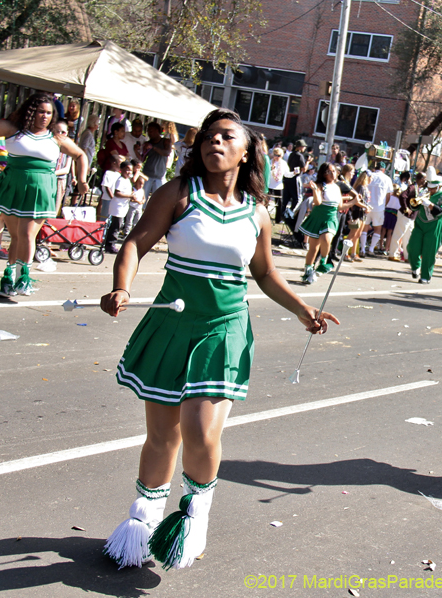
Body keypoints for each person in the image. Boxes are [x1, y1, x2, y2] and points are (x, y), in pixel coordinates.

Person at [100, 108, 337, 570]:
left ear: (245, 152)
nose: (215, 143)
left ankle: (194, 519)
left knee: (200, 431)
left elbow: (265, 273)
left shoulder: (257, 214)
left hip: (223, 330)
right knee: (162, 434)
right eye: (209, 137)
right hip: (171, 326)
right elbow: (134, 244)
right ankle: (142, 524)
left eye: (227, 137)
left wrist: (303, 310)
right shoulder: (178, 194)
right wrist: (122, 286)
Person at [0, 93, 88, 296]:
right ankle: (9, 279)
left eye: (49, 113)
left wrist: (82, 179)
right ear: (31, 112)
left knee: (27, 235)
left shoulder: (56, 138)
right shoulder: (14, 129)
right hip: (14, 185)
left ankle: (23, 278)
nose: (45, 116)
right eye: (41, 111)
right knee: (16, 236)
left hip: (41, 189)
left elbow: (80, 154)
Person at [297, 162, 343, 284]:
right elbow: (317, 202)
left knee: (326, 238)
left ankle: (324, 261)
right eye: (329, 171)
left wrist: (355, 201)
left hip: (331, 217)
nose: (333, 174)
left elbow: (340, 206)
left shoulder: (337, 187)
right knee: (313, 248)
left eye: (334, 171)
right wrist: (315, 190)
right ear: (324, 174)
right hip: (318, 216)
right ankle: (308, 270)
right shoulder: (320, 185)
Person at [407, 167, 442, 284]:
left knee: (429, 251)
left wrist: (430, 205)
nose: (430, 190)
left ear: (439, 187)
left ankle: (425, 276)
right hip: (420, 223)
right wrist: (418, 201)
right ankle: (416, 267)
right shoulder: (424, 192)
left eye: (433, 189)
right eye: (429, 188)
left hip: (435, 226)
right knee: (412, 247)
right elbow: (413, 206)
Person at [389, 172, 424, 262]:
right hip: (406, 215)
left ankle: (407, 256)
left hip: (411, 217)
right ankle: (392, 254)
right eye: (424, 179)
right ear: (421, 179)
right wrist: (406, 208)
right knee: (398, 234)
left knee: (408, 237)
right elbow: (402, 195)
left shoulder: (418, 188)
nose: (425, 181)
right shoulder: (412, 187)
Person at [362, 161, 391, 256]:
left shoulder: (370, 176)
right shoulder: (387, 179)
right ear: (383, 170)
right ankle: (370, 249)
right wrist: (384, 205)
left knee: (364, 228)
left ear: (375, 168)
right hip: (379, 206)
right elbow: (388, 195)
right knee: (377, 229)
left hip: (366, 205)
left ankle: (362, 249)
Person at [105, 161, 133, 253]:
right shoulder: (121, 180)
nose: (129, 172)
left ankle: (110, 243)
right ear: (121, 169)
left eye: (131, 170)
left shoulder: (127, 180)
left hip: (122, 207)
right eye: (127, 169)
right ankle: (110, 244)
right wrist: (130, 196)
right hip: (118, 207)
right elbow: (117, 193)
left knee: (117, 225)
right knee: (116, 226)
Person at [140, 122, 172, 200]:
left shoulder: (165, 142)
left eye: (151, 131)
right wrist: (140, 150)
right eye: (148, 131)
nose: (149, 133)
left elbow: (166, 153)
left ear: (157, 131)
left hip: (159, 175)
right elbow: (142, 159)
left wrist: (153, 147)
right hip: (147, 174)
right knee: (143, 197)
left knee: (157, 199)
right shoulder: (147, 143)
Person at [280, 139, 307, 224]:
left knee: (286, 198)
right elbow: (304, 169)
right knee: (298, 198)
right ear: (300, 147)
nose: (304, 148)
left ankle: (282, 216)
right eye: (303, 146)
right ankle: (290, 214)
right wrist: (308, 162)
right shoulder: (300, 155)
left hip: (288, 177)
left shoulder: (291, 154)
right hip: (296, 177)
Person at [53, 121, 73, 214]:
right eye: (58, 131)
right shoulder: (50, 145)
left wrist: (52, 173)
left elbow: (66, 169)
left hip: (59, 180)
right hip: (47, 179)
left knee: (54, 208)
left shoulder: (69, 147)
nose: (60, 134)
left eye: (63, 132)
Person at [124, 160, 147, 235]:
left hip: (138, 206)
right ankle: (126, 232)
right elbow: (133, 180)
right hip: (131, 201)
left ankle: (134, 233)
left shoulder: (142, 189)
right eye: (137, 167)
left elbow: (146, 178)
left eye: (140, 167)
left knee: (137, 220)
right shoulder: (130, 174)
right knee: (129, 219)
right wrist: (137, 173)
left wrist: (139, 172)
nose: (139, 169)